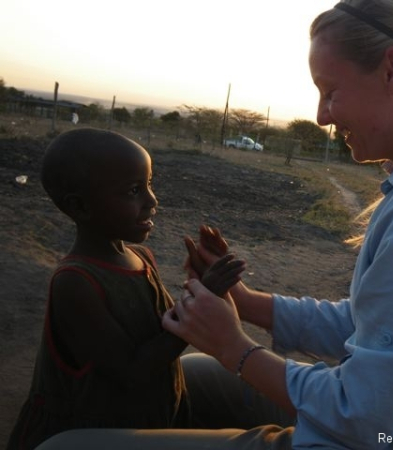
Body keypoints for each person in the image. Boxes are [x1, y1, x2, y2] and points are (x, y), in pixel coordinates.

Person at [36, 0, 393, 449]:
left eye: (330, 91)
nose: (322, 115)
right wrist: (247, 303)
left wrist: (234, 347)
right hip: (383, 421)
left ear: (392, 71)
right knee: (185, 376)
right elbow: (376, 325)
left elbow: (362, 412)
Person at [7, 128, 245, 450]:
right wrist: (202, 301)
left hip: (148, 420)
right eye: (134, 190)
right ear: (80, 207)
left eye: (149, 184)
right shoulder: (75, 282)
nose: (152, 200)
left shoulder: (141, 257)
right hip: (87, 436)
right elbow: (132, 371)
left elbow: (160, 333)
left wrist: (201, 285)